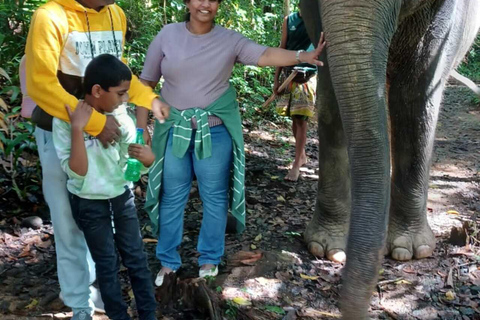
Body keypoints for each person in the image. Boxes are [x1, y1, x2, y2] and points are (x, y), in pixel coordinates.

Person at [137, 0, 326, 287]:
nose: (205, 3)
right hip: (174, 131)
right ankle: (168, 262)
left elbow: (264, 55)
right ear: (187, 2)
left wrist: (304, 55)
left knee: (214, 197)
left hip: (214, 133)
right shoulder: (167, 35)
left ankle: (209, 259)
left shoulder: (229, 39)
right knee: (172, 196)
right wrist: (142, 128)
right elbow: (146, 82)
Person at [24, 0, 169, 319]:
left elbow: (120, 73)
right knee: (67, 220)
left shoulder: (115, 14)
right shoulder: (51, 16)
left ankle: (106, 297)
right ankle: (80, 304)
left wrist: (148, 99)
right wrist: (94, 124)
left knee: (108, 218)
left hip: (111, 127)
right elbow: (41, 83)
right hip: (63, 130)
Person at [53, 54, 157, 320]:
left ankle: (148, 315)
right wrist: (79, 129)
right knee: (107, 265)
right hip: (88, 202)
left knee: (136, 259)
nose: (124, 100)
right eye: (120, 93)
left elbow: (130, 164)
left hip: (121, 198)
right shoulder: (67, 118)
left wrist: (147, 160)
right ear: (97, 91)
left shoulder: (121, 116)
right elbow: (78, 171)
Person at [274, 10, 318, 182]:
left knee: (301, 119)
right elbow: (282, 48)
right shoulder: (289, 20)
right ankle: (302, 155)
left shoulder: (317, 19)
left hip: (307, 76)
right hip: (288, 73)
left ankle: (296, 165)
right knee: (294, 118)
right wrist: (276, 79)